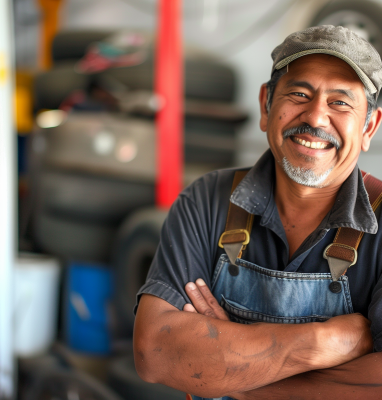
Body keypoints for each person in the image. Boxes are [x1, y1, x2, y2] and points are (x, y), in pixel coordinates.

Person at [133, 25, 382, 399]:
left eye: (340, 102)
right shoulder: (208, 201)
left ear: (369, 127)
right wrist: (316, 343)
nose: (315, 118)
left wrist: (233, 376)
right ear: (266, 105)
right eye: (299, 93)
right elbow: (155, 351)